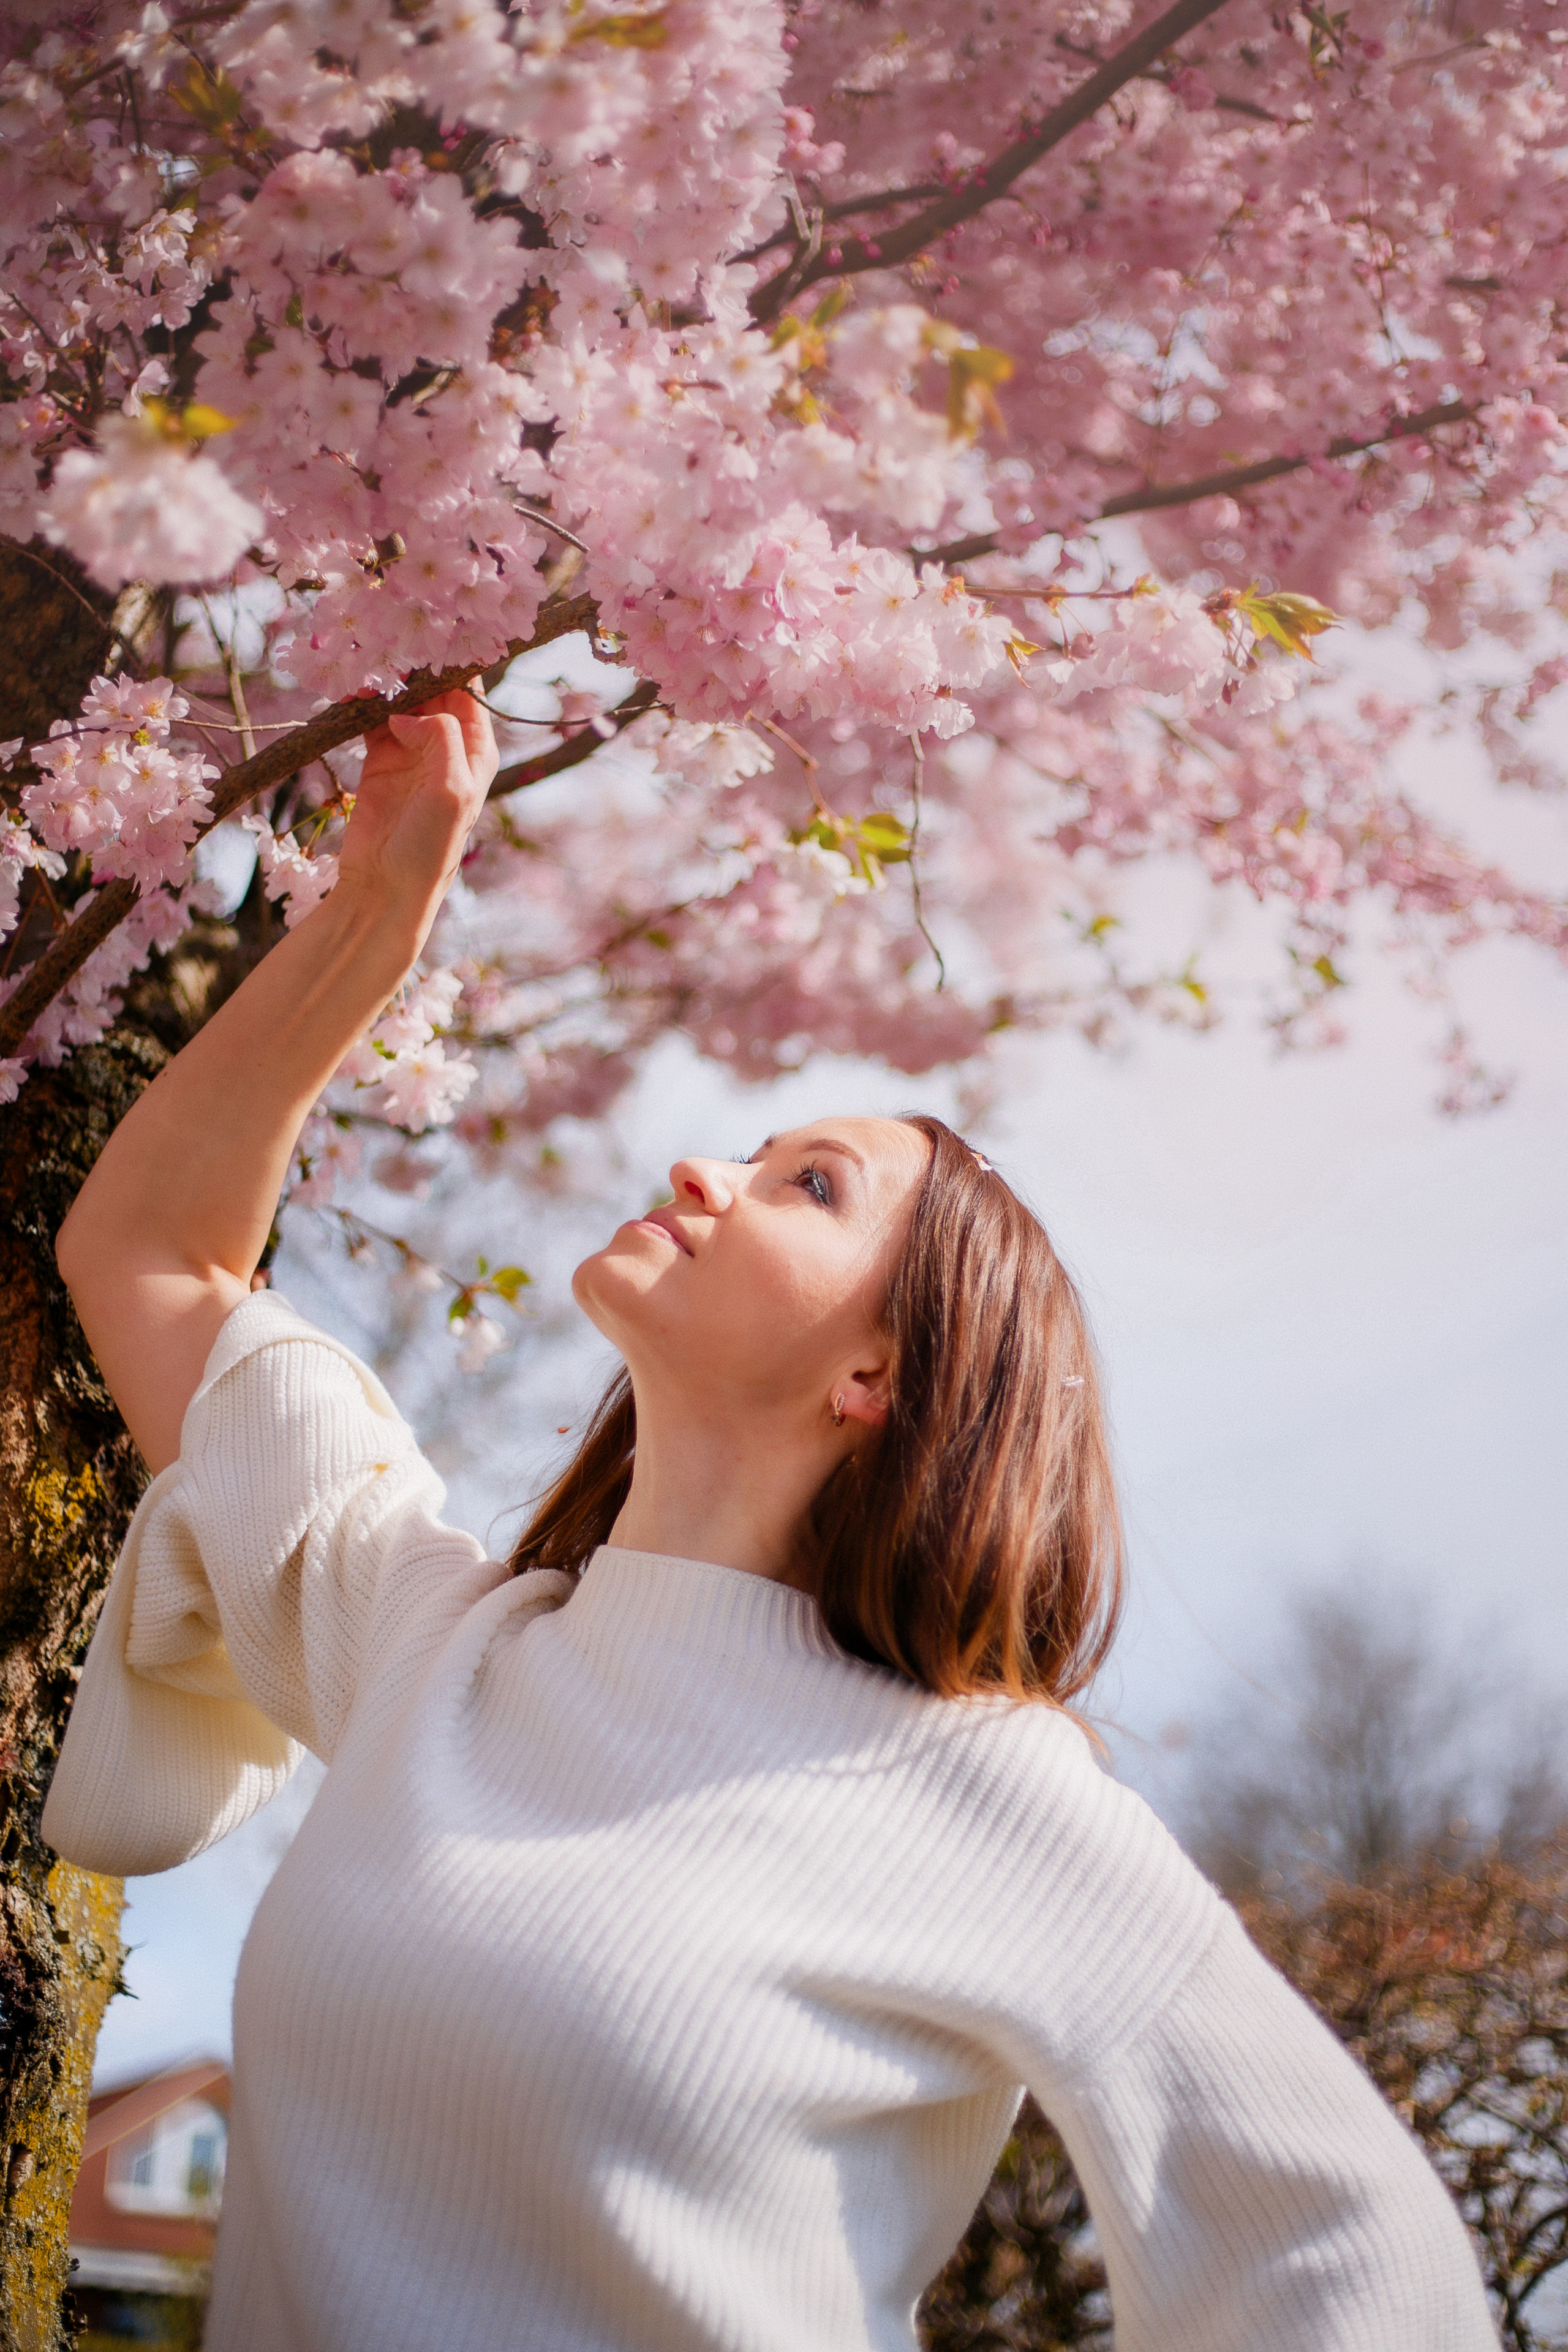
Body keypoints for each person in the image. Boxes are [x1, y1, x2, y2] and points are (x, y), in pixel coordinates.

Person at [44, 689, 1494, 2352]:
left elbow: (1369, 2278)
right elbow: (156, 1256)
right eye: (754, 1146)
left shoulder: (986, 1793)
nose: (700, 1176)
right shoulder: (427, 1650)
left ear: (883, 1372)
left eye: (807, 1183)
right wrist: (376, 919)